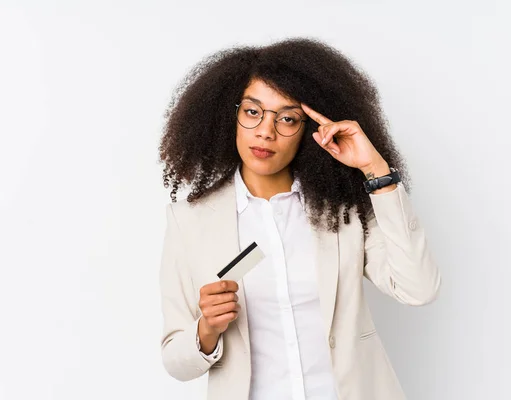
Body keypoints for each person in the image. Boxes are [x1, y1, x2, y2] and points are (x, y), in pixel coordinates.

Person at [157, 37, 441, 400]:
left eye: (288, 118)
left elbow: (419, 288)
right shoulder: (190, 222)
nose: (266, 131)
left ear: (309, 130)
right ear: (230, 115)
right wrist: (206, 330)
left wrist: (376, 171)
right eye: (253, 112)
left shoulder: (344, 210)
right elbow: (174, 360)